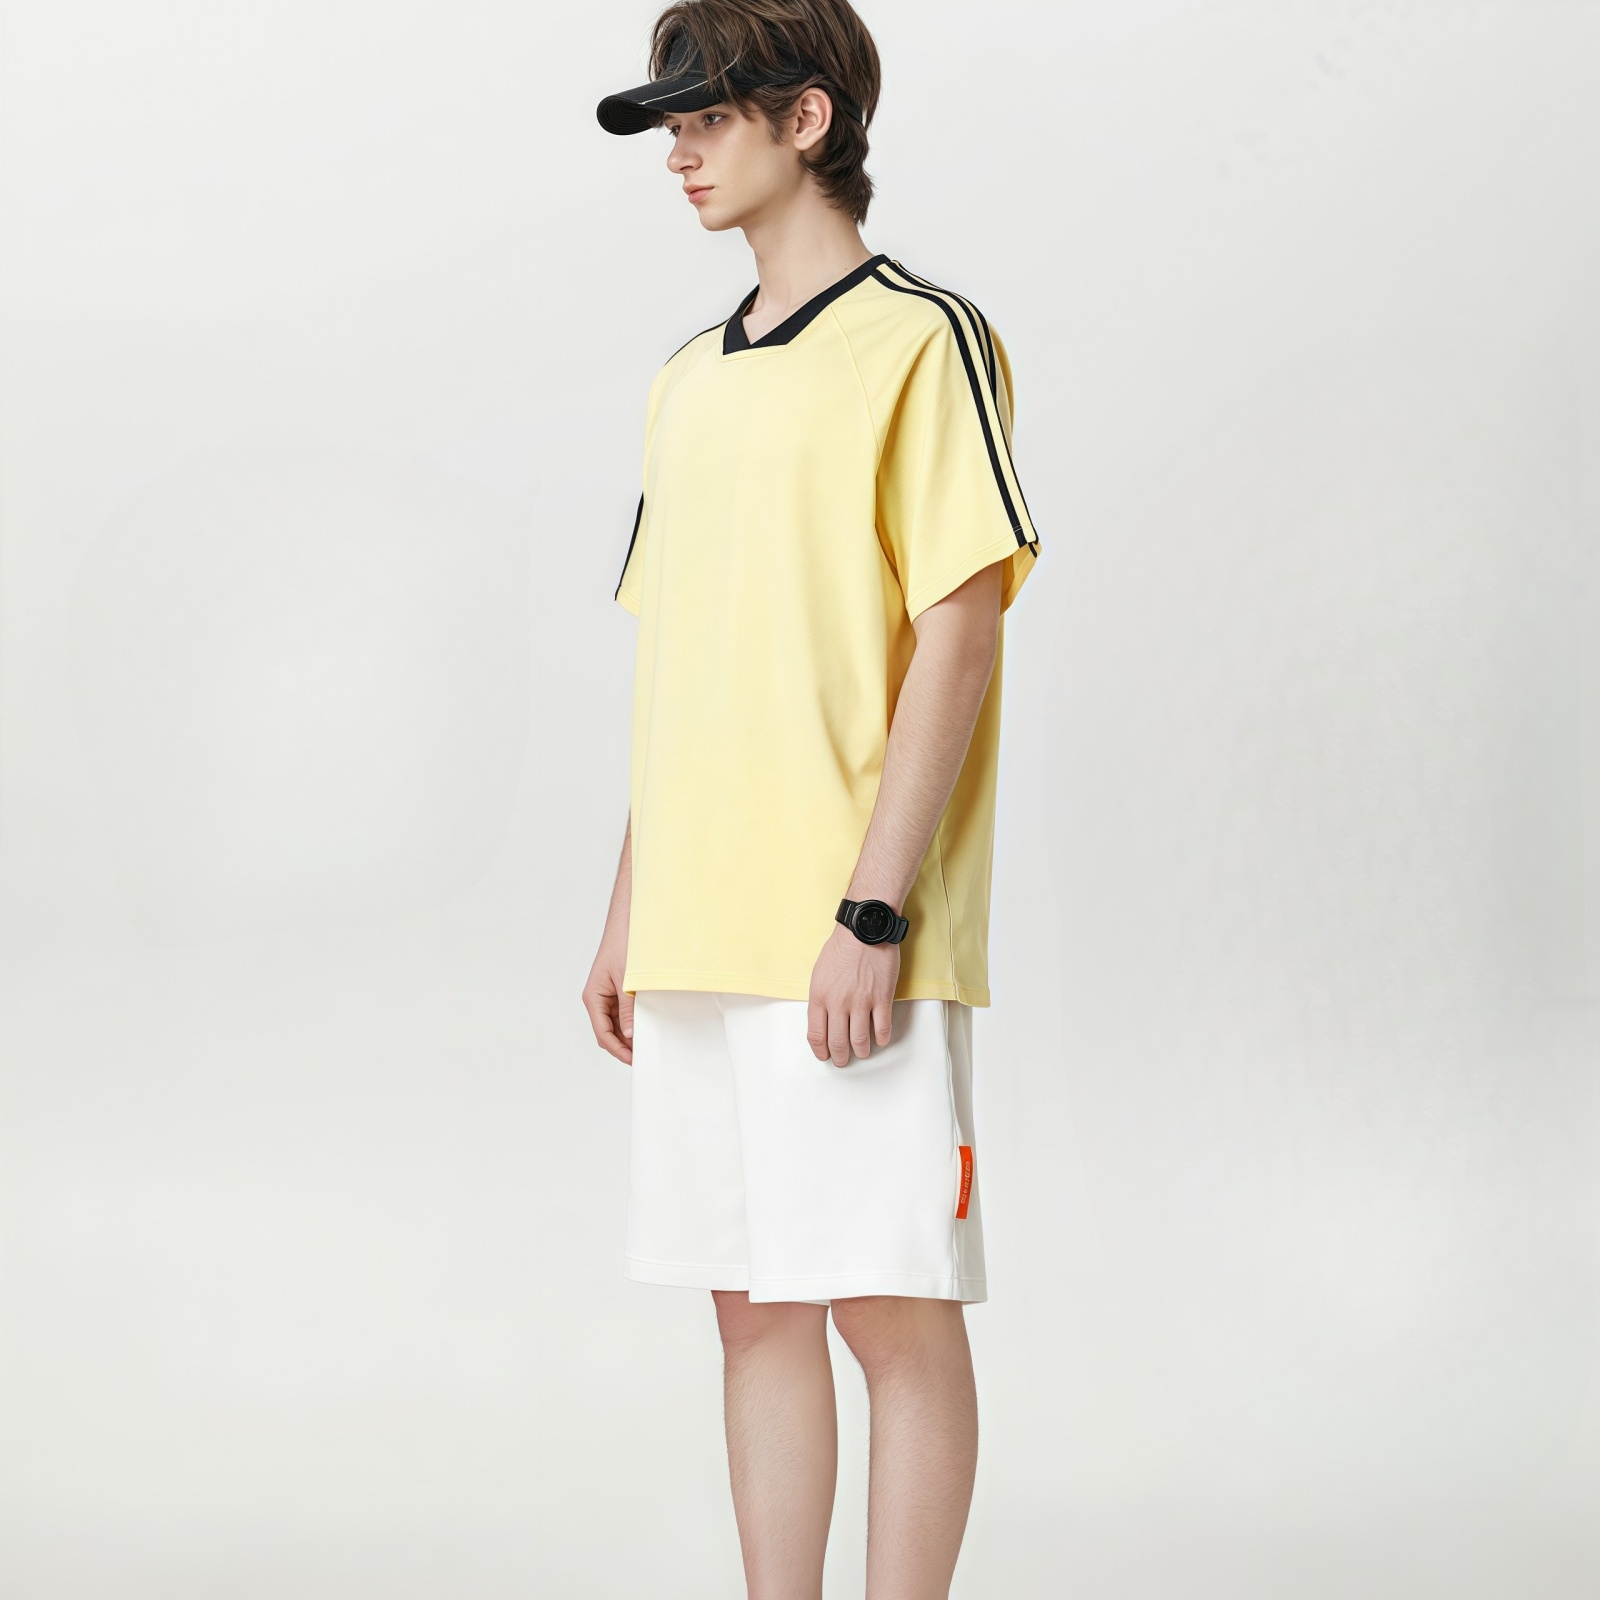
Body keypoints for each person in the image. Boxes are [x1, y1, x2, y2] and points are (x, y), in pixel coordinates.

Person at [582, 3, 1040, 1595]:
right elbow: (687, 665)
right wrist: (629, 912)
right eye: (671, 124)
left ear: (807, 119)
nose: (682, 151)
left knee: (888, 1310)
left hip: (848, 928)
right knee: (753, 1309)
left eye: (709, 116)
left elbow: (959, 628)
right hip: (699, 930)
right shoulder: (685, 382)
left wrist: (875, 909)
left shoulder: (923, 341)